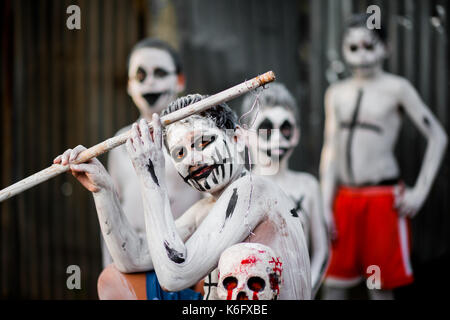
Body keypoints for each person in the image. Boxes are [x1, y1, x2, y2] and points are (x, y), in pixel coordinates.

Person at [55, 94, 312, 300]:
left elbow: (173, 276)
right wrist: (103, 191)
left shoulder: (254, 189)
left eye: (203, 143)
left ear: (236, 139)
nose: (192, 159)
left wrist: (150, 176)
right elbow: (133, 258)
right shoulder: (208, 207)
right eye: (179, 154)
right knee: (113, 280)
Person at [319, 14, 448, 299]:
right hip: (345, 199)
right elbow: (330, 149)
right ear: (343, 50)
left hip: (382, 200)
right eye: (353, 48)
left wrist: (419, 192)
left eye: (369, 46)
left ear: (385, 47)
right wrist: (325, 203)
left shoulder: (396, 88)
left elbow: (437, 136)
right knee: (334, 285)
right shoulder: (336, 93)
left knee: (379, 286)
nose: (362, 56)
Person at [105, 38, 202, 266]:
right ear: (129, 86)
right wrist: (109, 267)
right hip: (132, 262)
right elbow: (112, 216)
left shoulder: (198, 138)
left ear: (179, 81)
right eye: (140, 76)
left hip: (185, 259)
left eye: (160, 73)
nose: (150, 83)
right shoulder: (119, 144)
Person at [241, 83, 329, 298]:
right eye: (266, 129)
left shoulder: (307, 187)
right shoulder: (238, 188)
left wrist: (306, 290)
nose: (278, 138)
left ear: (296, 134)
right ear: (245, 135)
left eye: (286, 129)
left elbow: (321, 252)